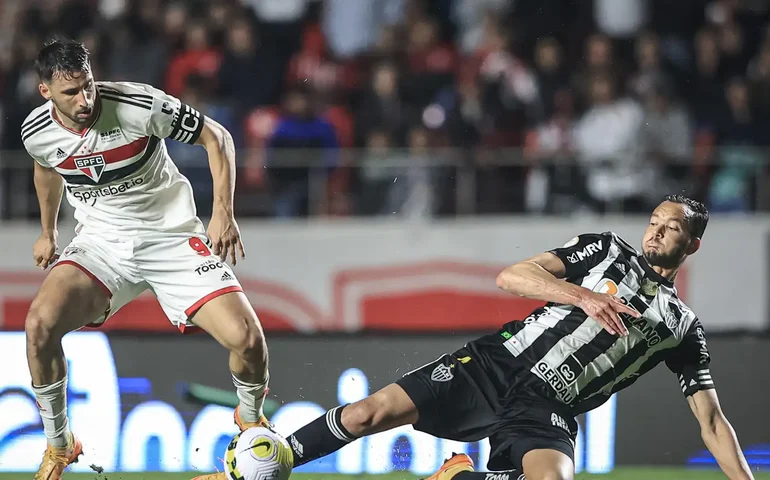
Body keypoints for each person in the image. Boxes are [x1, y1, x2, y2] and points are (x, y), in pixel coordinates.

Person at [195, 195, 754, 480]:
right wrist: (584, 296)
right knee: (368, 414)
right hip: (496, 363)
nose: (655, 230)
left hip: (548, 405)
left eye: (671, 226)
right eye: (654, 220)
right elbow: (513, 277)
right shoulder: (606, 250)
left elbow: (710, 420)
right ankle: (277, 458)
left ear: (692, 243)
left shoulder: (681, 328)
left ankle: (465, 474)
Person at [22, 38, 272, 479]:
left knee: (248, 340)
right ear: (45, 92)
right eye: (70, 93)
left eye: (88, 86)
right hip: (102, 242)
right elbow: (46, 168)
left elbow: (218, 137)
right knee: (39, 326)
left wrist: (223, 213)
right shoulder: (36, 131)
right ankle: (60, 444)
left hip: (170, 237)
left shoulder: (139, 105)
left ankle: (250, 421)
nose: (84, 100)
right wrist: (48, 231)